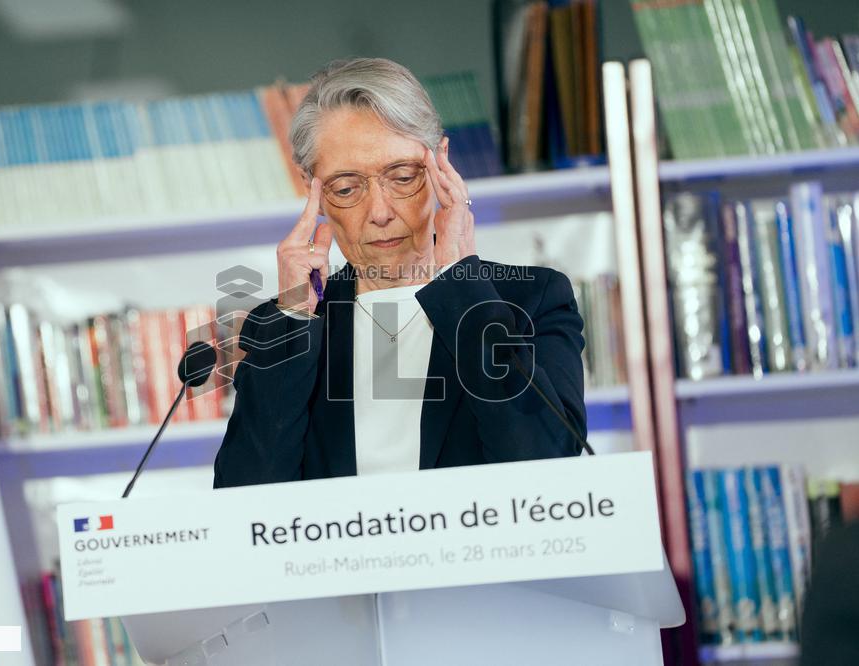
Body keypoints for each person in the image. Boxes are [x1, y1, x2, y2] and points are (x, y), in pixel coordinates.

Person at [213, 57, 586, 488]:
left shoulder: (531, 300)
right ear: (309, 184)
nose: (380, 213)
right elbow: (244, 497)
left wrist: (463, 286)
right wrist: (295, 316)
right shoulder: (283, 323)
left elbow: (546, 469)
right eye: (347, 187)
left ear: (441, 162)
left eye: (403, 176)